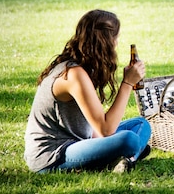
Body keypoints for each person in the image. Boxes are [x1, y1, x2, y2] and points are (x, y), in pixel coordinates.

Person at [24, 9, 152, 173]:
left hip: (79, 141)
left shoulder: (81, 68)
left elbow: (97, 130)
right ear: (105, 41)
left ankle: (123, 158)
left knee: (141, 124)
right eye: (116, 38)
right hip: (52, 155)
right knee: (129, 140)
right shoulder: (73, 74)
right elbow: (105, 129)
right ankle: (127, 155)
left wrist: (103, 141)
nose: (117, 44)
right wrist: (127, 83)